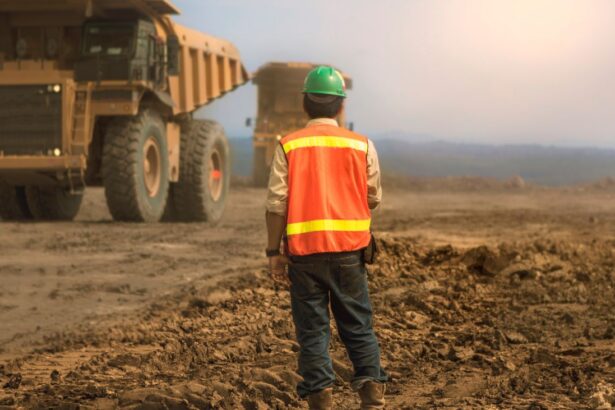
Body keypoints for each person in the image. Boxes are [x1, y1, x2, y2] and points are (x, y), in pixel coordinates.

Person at [265, 66, 387, 410]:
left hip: (304, 257)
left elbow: (276, 203)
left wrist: (273, 251)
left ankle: (321, 401)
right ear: (341, 107)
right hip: (350, 254)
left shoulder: (289, 145)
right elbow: (373, 197)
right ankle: (373, 401)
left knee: (313, 332)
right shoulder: (362, 145)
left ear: (305, 103)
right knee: (359, 327)